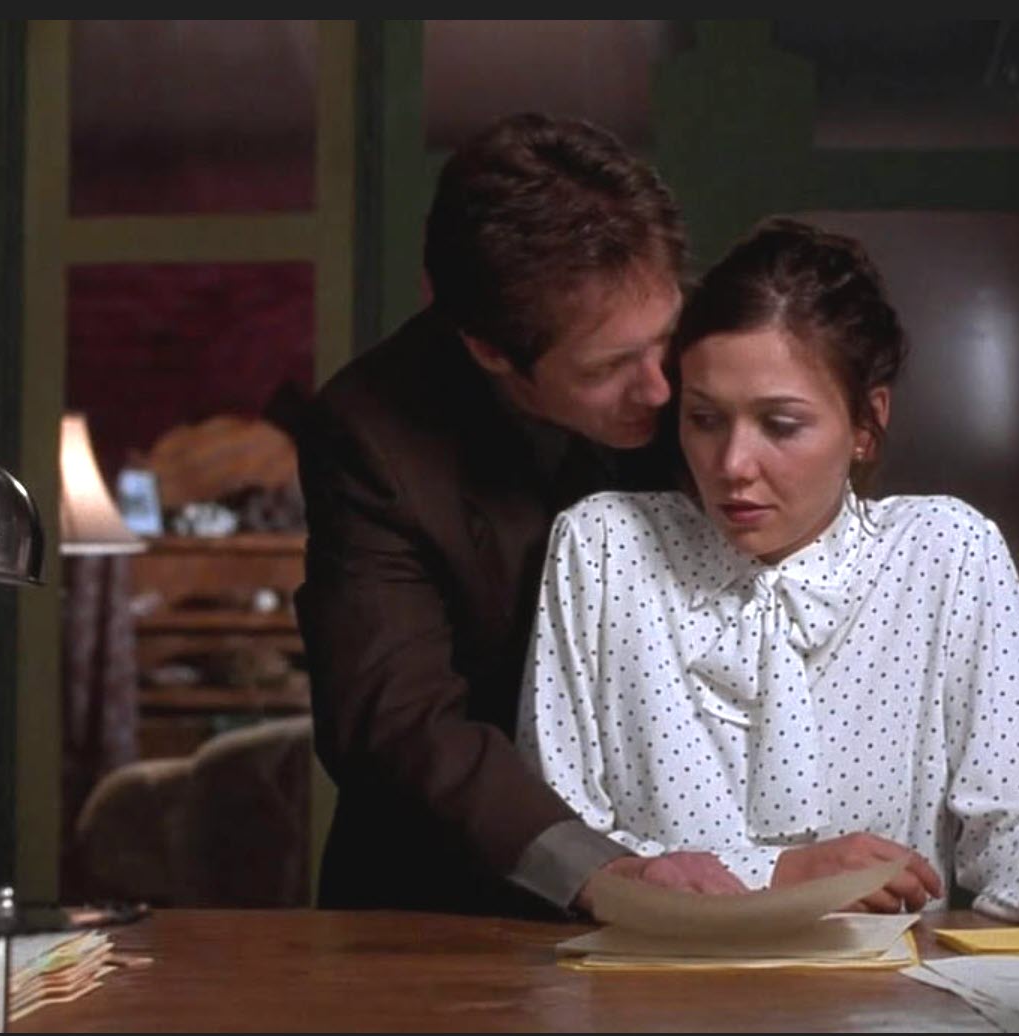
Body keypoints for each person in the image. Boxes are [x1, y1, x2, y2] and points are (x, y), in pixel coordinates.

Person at [518, 218, 1019, 949]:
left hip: (889, 992)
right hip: (652, 988)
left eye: (780, 425)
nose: (732, 463)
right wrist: (776, 873)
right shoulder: (605, 546)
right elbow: (564, 841)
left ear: (867, 424)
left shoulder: (945, 552)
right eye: (704, 419)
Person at [295, 113, 746, 918]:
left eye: (664, 339)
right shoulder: (371, 433)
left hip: (717, 874)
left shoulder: (722, 353)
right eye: (607, 368)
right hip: (448, 899)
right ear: (490, 350)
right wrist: (597, 870)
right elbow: (397, 720)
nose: (660, 389)